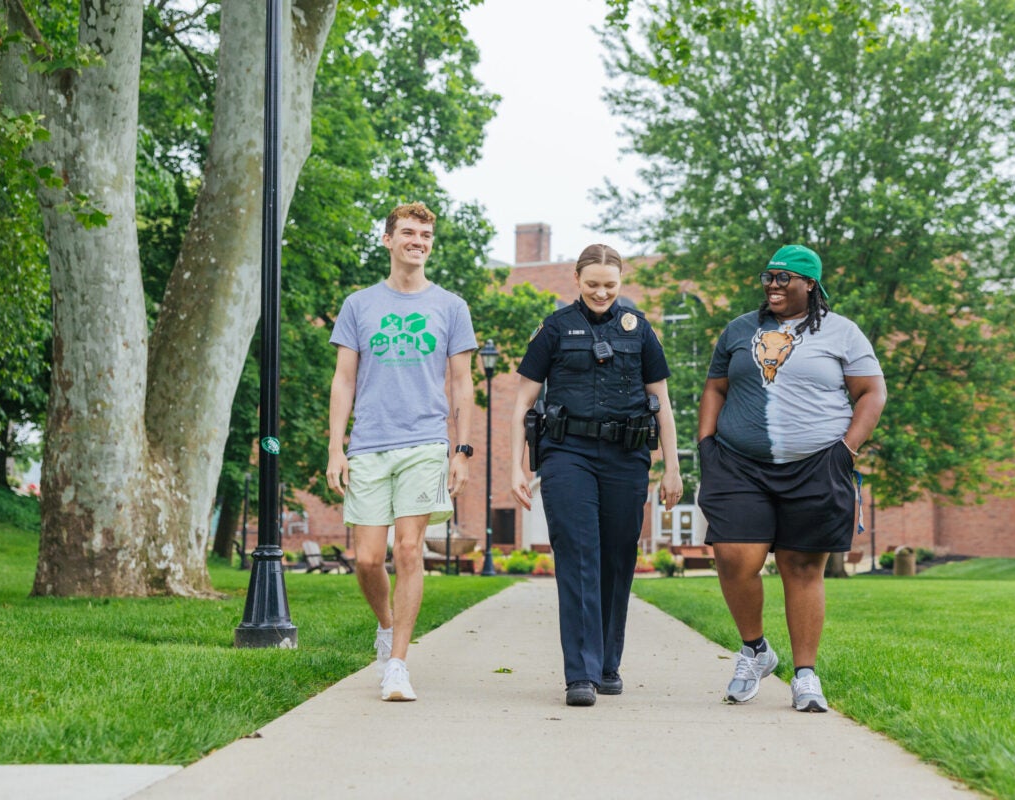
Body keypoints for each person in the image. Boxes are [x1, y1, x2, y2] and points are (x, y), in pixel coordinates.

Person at [697, 244, 886, 712]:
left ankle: (805, 676)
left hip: (817, 464)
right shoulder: (740, 329)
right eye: (769, 277)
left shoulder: (842, 332)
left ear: (810, 285)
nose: (773, 285)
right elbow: (716, 386)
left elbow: (871, 392)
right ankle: (755, 650)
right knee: (734, 558)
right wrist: (706, 443)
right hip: (740, 463)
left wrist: (847, 450)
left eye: (784, 278)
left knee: (801, 568)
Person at [509, 243, 682, 707]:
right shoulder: (554, 328)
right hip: (568, 454)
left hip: (627, 458)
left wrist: (672, 468)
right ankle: (580, 674)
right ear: (577, 280)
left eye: (609, 285)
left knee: (617, 557)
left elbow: (662, 403)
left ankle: (607, 664)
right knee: (578, 555)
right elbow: (523, 402)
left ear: (620, 281)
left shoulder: (640, 329)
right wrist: (516, 465)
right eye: (592, 285)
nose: (601, 292)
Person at [326, 202, 477, 702]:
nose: (419, 240)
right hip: (369, 442)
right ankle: (387, 627)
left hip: (425, 442)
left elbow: (461, 382)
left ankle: (398, 664)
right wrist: (335, 447)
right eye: (408, 232)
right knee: (367, 559)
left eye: (426, 233)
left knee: (408, 550)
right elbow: (344, 379)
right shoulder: (359, 305)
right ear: (388, 240)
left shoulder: (451, 307)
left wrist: (462, 450)